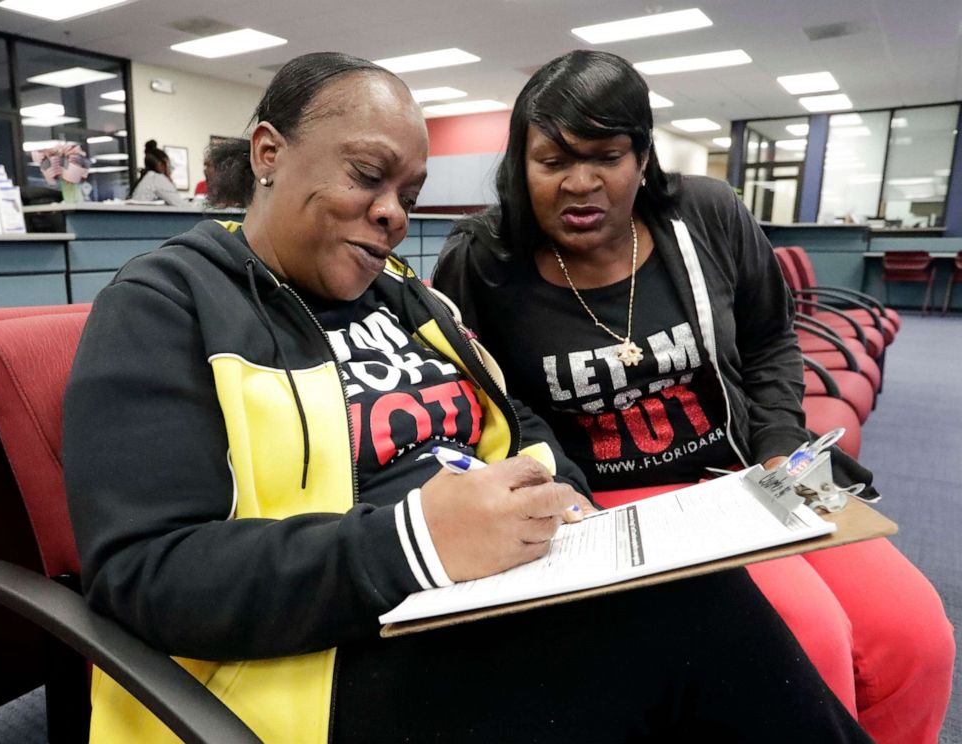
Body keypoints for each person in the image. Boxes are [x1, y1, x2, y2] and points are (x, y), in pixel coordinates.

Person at [63, 52, 872, 744]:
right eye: (367, 177)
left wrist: (567, 504)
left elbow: (514, 417)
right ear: (269, 151)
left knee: (691, 610)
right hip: (315, 664)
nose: (390, 214)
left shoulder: (404, 296)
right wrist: (415, 542)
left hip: (476, 599)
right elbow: (143, 573)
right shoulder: (165, 301)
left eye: (407, 193)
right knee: (699, 625)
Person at [432, 49, 955, 744]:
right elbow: (481, 399)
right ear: (520, 166)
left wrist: (779, 445)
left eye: (606, 156)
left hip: (746, 474)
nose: (580, 183)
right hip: (606, 503)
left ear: (641, 158)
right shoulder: (484, 263)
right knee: (810, 641)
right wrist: (556, 484)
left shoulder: (705, 216)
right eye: (553, 162)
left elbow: (771, 337)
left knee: (916, 635)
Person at [129, 139, 185, 206]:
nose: (170, 171)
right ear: (161, 165)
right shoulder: (157, 178)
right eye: (169, 166)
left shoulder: (148, 177)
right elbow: (181, 205)